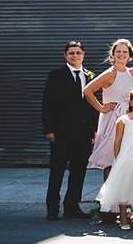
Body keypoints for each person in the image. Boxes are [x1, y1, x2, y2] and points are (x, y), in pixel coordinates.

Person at [42, 40, 98, 221]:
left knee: (78, 172)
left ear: (83, 54)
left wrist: (95, 130)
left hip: (83, 135)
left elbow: (94, 106)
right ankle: (52, 209)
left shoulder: (90, 76)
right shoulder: (56, 75)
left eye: (78, 52)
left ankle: (71, 207)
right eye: (71, 53)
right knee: (57, 172)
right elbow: (47, 103)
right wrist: (49, 130)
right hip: (61, 133)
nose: (75, 55)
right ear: (65, 56)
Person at [84, 39, 133, 177]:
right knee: (110, 158)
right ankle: (107, 196)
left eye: (125, 52)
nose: (121, 54)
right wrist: (101, 108)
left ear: (130, 55)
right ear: (113, 55)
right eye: (118, 51)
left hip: (127, 118)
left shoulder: (131, 72)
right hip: (112, 119)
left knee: (125, 156)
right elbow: (87, 90)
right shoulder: (110, 73)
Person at [95, 87, 133, 231]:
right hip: (126, 157)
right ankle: (123, 219)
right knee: (125, 185)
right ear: (131, 102)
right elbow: (117, 141)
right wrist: (118, 159)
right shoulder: (123, 120)